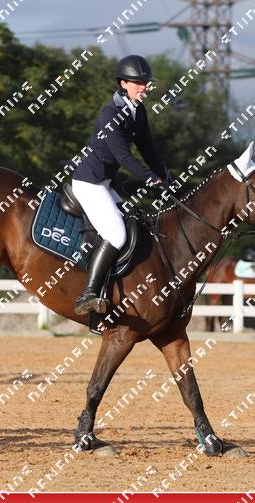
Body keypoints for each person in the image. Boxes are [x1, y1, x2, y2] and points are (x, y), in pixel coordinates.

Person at [71, 55, 170, 315]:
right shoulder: (110, 114)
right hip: (89, 183)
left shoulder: (138, 111)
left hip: (105, 183)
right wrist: (150, 178)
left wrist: (165, 174)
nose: (144, 87)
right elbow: (123, 157)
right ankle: (87, 294)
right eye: (138, 83)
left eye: (145, 82)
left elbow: (147, 148)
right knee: (116, 234)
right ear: (123, 83)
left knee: (134, 223)